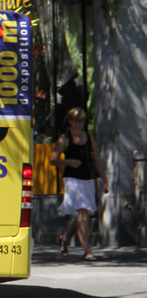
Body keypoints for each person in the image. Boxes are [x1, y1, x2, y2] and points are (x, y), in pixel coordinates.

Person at [50, 107, 109, 260]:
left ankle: (65, 238)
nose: (79, 124)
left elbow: (96, 159)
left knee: (83, 214)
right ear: (70, 121)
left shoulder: (88, 137)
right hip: (72, 179)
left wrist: (104, 179)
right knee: (83, 211)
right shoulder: (64, 139)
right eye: (76, 121)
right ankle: (87, 250)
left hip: (88, 178)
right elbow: (53, 160)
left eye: (82, 121)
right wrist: (69, 161)